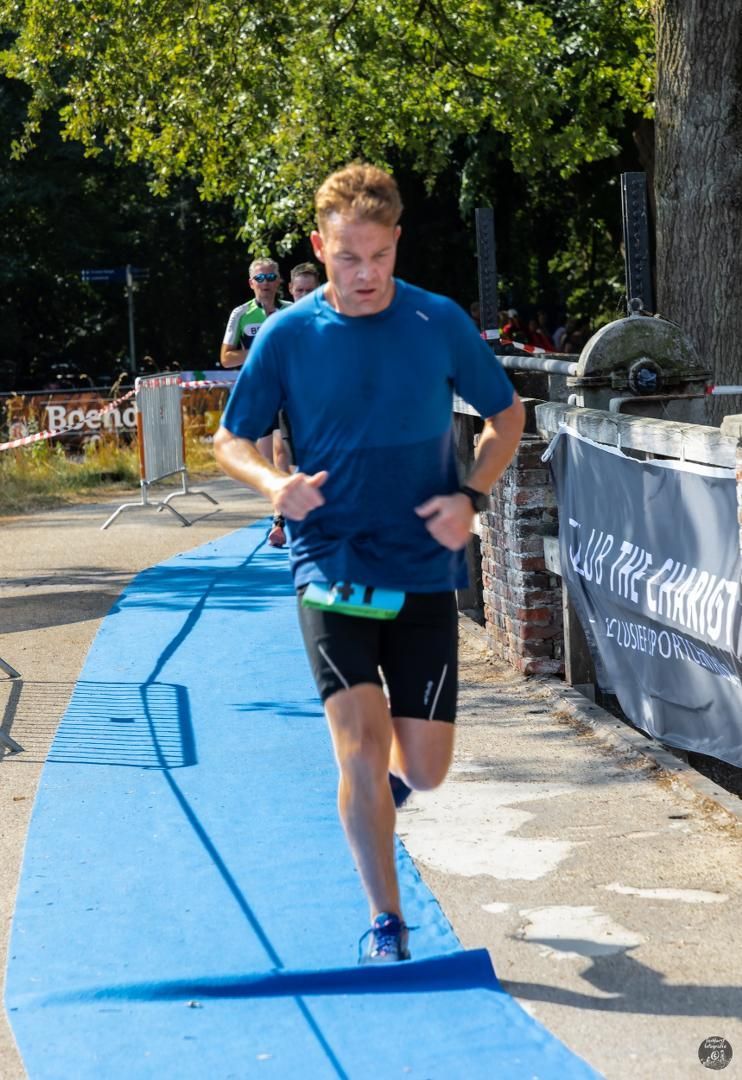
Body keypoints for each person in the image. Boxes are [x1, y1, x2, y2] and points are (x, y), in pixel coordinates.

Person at [214, 163, 524, 964]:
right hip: (331, 560)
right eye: (347, 258)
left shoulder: (437, 320)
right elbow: (231, 438)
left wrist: (472, 494)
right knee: (357, 740)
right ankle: (388, 921)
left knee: (424, 769)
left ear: (396, 245)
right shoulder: (286, 335)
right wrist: (274, 483)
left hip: (422, 565)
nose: (363, 276)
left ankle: (375, 802)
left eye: (378, 258)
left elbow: (506, 414)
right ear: (320, 247)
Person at [220, 257, 293, 545]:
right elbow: (226, 358)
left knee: (282, 452)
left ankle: (281, 521)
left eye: (270, 277)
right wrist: (260, 352)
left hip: (290, 394)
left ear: (279, 281)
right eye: (259, 279)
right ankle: (283, 509)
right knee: (269, 462)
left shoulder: (291, 311)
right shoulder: (241, 314)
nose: (265, 284)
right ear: (251, 283)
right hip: (260, 394)